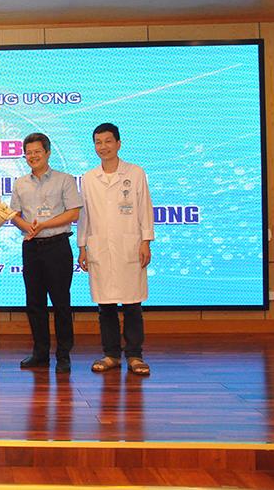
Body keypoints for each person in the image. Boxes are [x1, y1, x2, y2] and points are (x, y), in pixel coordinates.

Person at [78, 123, 155, 376]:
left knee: (132, 303)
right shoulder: (89, 178)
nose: (103, 147)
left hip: (130, 245)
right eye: (98, 142)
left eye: (108, 141)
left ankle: (135, 355)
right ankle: (111, 354)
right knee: (106, 305)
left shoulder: (135, 173)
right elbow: (85, 215)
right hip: (100, 247)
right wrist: (82, 246)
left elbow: (145, 208)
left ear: (118, 143)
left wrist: (145, 241)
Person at [10, 132, 82, 374]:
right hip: (31, 247)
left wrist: (44, 225)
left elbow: (73, 213)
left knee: (61, 302)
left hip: (57, 246)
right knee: (34, 303)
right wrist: (26, 226)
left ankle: (63, 355)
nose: (33, 156)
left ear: (48, 153)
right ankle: (40, 353)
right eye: (28, 153)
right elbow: (14, 214)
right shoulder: (20, 183)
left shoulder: (65, 180)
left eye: (37, 152)